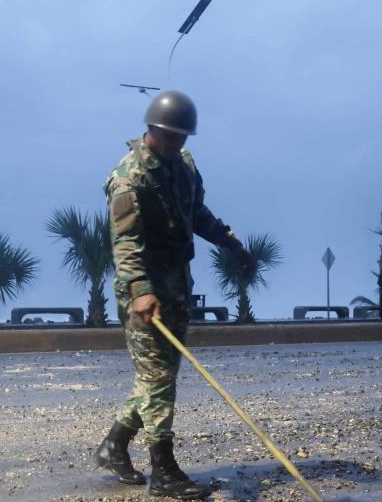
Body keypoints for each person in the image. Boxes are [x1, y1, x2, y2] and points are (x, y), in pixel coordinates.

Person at [94, 90, 255, 500]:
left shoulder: (183, 166)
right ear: (151, 129)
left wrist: (231, 243)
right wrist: (141, 293)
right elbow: (125, 244)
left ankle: (114, 444)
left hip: (178, 285)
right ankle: (163, 470)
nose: (176, 144)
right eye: (170, 136)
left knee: (158, 376)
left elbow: (196, 213)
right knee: (158, 377)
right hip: (142, 292)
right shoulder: (128, 180)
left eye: (182, 137)